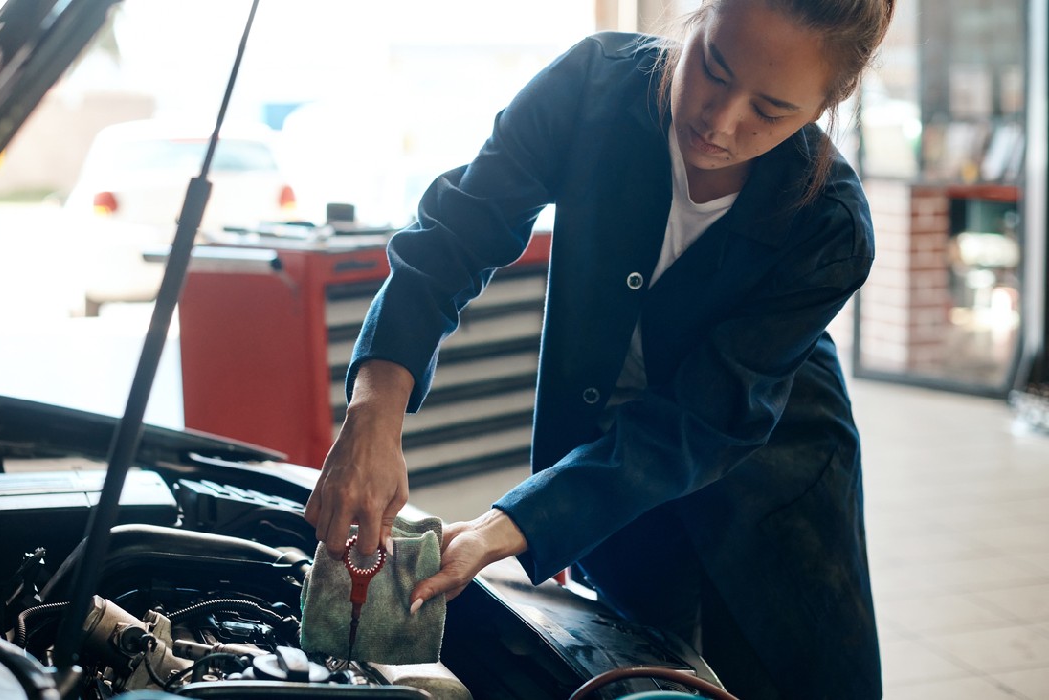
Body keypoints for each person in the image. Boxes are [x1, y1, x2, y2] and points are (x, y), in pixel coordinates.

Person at [304, 0, 896, 697]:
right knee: (635, 678)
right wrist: (372, 418)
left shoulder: (829, 226)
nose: (720, 119)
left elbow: (699, 422)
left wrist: (512, 523)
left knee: (782, 671)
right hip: (609, 472)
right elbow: (452, 238)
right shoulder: (590, 88)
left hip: (771, 483)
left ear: (832, 98)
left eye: (769, 110)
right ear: (696, 18)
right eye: (712, 67)